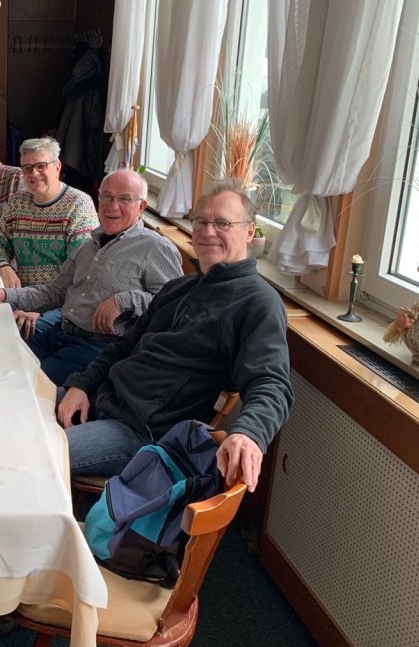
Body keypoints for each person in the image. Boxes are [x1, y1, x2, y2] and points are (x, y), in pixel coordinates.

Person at [57, 183, 293, 492]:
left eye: (222, 223)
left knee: (29, 455)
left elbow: (271, 383)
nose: (208, 231)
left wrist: (249, 433)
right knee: (12, 409)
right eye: (201, 221)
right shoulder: (179, 288)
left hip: (143, 433)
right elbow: (124, 346)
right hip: (104, 399)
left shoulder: (258, 303)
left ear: (249, 231)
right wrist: (82, 384)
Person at [0, 170, 182, 385]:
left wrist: (125, 300)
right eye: (106, 196)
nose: (112, 206)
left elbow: (175, 306)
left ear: (141, 207)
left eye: (124, 199)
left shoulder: (155, 247)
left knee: (22, 386)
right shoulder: (87, 246)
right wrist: (4, 294)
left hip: (98, 348)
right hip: (58, 332)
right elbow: (53, 293)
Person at [0, 136, 98, 290]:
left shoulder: (79, 205)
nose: (34, 173)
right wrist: (3, 267)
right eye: (27, 168)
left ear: (57, 167)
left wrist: (38, 303)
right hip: (21, 294)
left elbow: (82, 272)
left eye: (41, 166)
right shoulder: (18, 202)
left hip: (61, 300)